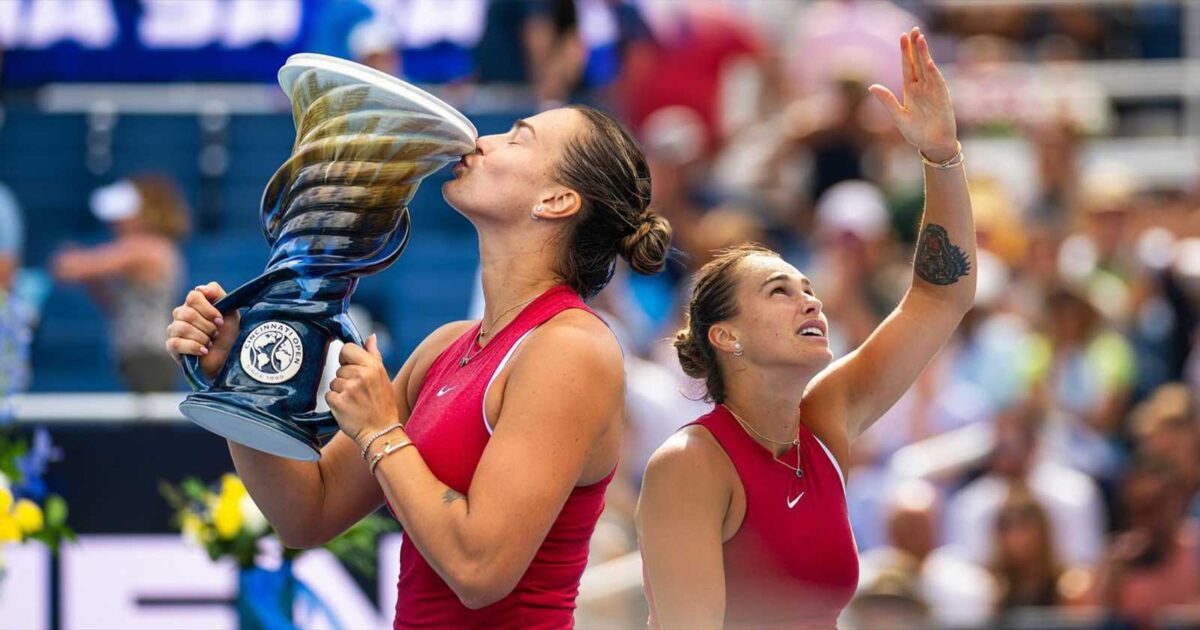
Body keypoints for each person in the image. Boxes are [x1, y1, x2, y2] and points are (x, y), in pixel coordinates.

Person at [166, 105, 672, 627]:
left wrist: (381, 430)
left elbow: (479, 570)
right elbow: (304, 514)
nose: (482, 139)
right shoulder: (447, 345)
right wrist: (242, 378)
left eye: (518, 139)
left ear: (557, 200)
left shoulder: (572, 348)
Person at [637, 28, 975, 628]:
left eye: (809, 289)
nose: (809, 302)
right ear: (726, 335)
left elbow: (941, 296)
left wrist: (941, 155)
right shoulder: (690, 464)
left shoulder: (824, 421)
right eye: (780, 291)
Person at [53, 174, 188, 392]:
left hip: (149, 357)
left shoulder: (148, 247)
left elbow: (71, 267)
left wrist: (74, 258)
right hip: (137, 355)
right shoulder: (156, 248)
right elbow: (116, 306)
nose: (116, 222)